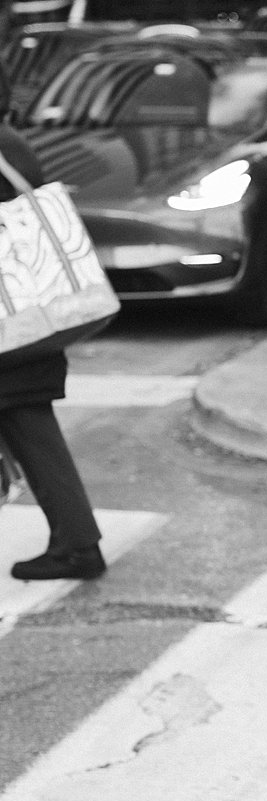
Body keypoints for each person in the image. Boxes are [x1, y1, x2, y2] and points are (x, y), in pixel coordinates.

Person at [0, 89, 105, 581]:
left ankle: (79, 547)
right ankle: (76, 543)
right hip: (32, 319)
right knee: (34, 435)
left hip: (12, 329)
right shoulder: (12, 142)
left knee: (35, 437)